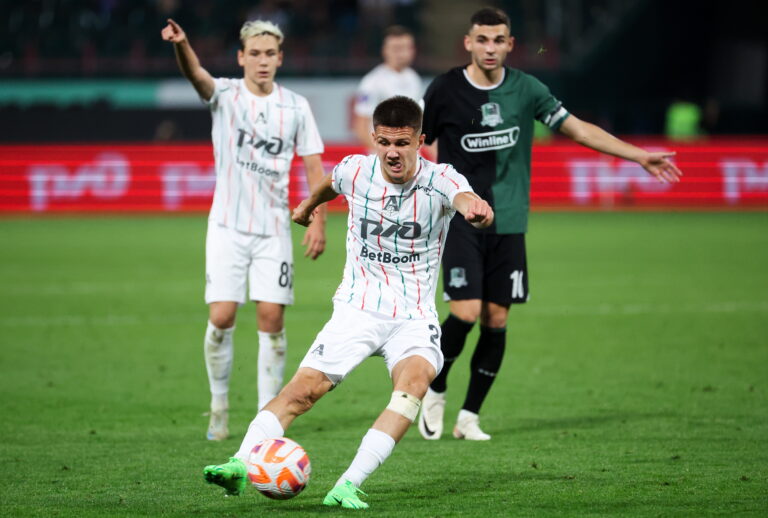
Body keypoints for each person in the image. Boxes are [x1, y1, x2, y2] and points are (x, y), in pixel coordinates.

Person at [202, 96, 494, 509]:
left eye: (403, 142)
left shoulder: (441, 179)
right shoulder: (355, 170)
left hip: (413, 316)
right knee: (302, 392)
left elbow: (465, 199)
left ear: (420, 140)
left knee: (413, 386)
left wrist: (476, 210)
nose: (393, 152)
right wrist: (308, 205)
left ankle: (348, 483)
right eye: (385, 142)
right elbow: (329, 182)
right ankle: (237, 463)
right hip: (357, 308)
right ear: (374, 138)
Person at [418, 7, 683, 441]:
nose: (489, 48)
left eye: (497, 40)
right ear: (468, 42)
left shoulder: (527, 89)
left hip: (510, 220)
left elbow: (578, 129)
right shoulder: (445, 89)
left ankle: (469, 418)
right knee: (464, 312)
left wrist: (637, 154)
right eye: (481, 40)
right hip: (463, 217)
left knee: (496, 319)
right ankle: (436, 387)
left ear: (509, 45)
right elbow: (418, 145)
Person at [161, 18, 327, 441]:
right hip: (227, 227)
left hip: (274, 230)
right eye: (254, 53)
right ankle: (219, 403)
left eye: (270, 53)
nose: (262, 60)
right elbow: (196, 75)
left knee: (271, 319)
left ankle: (264, 419)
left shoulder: (296, 107)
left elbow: (312, 166)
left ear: (280, 58)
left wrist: (318, 218)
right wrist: (183, 45)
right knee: (222, 316)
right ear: (241, 58)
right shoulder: (227, 96)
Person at [352, 26, 422, 149]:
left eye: (405, 48)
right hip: (384, 158)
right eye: (396, 48)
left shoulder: (414, 78)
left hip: (410, 155)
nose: (401, 53)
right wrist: (381, 153)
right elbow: (361, 126)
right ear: (385, 50)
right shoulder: (372, 82)